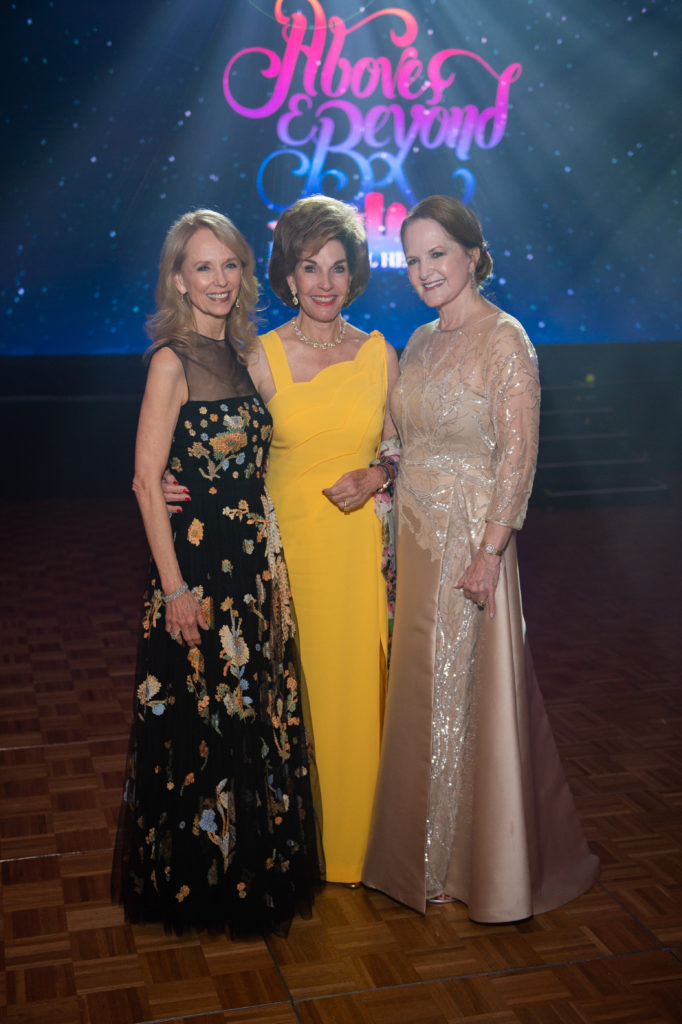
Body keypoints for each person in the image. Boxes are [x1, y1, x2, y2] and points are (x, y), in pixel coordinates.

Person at [362, 195, 599, 921]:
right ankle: (419, 857)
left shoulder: (506, 340)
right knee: (422, 697)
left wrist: (492, 551)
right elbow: (405, 437)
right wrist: (380, 480)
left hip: (473, 546)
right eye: (413, 259)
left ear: (472, 254)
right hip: (418, 542)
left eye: (439, 253)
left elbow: (518, 458)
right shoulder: (423, 340)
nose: (425, 271)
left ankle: (471, 865)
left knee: (468, 701)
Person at [164, 196, 400, 884]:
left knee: (358, 701)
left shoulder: (383, 354)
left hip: (358, 559)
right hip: (281, 562)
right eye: (309, 267)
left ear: (354, 275)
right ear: (288, 277)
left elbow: (407, 446)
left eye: (337, 267)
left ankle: (364, 847)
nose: (324, 282)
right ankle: (301, 847)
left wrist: (378, 470)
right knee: (289, 706)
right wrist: (175, 479)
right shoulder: (257, 359)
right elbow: (213, 444)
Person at [112, 209, 323, 937]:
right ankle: (200, 884)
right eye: (203, 266)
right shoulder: (172, 359)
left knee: (250, 721)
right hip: (196, 573)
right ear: (178, 278)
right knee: (201, 727)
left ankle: (249, 873)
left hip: (254, 570)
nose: (220, 279)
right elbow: (145, 481)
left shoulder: (243, 353)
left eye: (230, 264)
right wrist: (173, 589)